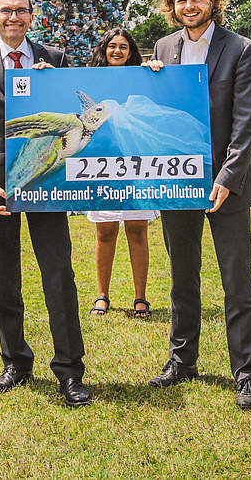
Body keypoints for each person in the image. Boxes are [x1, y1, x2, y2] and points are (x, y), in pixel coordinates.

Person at [0, 0, 91, 407]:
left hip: (47, 181)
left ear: (32, 16)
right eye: (5, 10)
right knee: (6, 279)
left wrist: (53, 85)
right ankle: (15, 361)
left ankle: (70, 371)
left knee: (59, 276)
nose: (13, 17)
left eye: (21, 10)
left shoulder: (57, 59)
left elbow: (81, 111)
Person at [145, 0, 251, 410]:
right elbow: (155, 112)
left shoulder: (242, 50)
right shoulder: (163, 48)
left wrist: (227, 178)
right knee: (181, 276)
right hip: (176, 179)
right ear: (172, 7)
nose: (188, 6)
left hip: (225, 184)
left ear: (213, 0)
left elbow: (245, 122)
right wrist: (148, 78)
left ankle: (246, 374)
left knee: (237, 281)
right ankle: (182, 360)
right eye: (181, 0)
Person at [85, 27, 157, 318]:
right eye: (112, 46)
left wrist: (155, 69)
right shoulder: (89, 79)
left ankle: (141, 297)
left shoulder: (143, 76)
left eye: (123, 46)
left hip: (135, 160)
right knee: (105, 231)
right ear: (104, 50)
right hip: (103, 163)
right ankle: (102, 295)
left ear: (131, 51)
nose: (117, 51)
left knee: (138, 229)